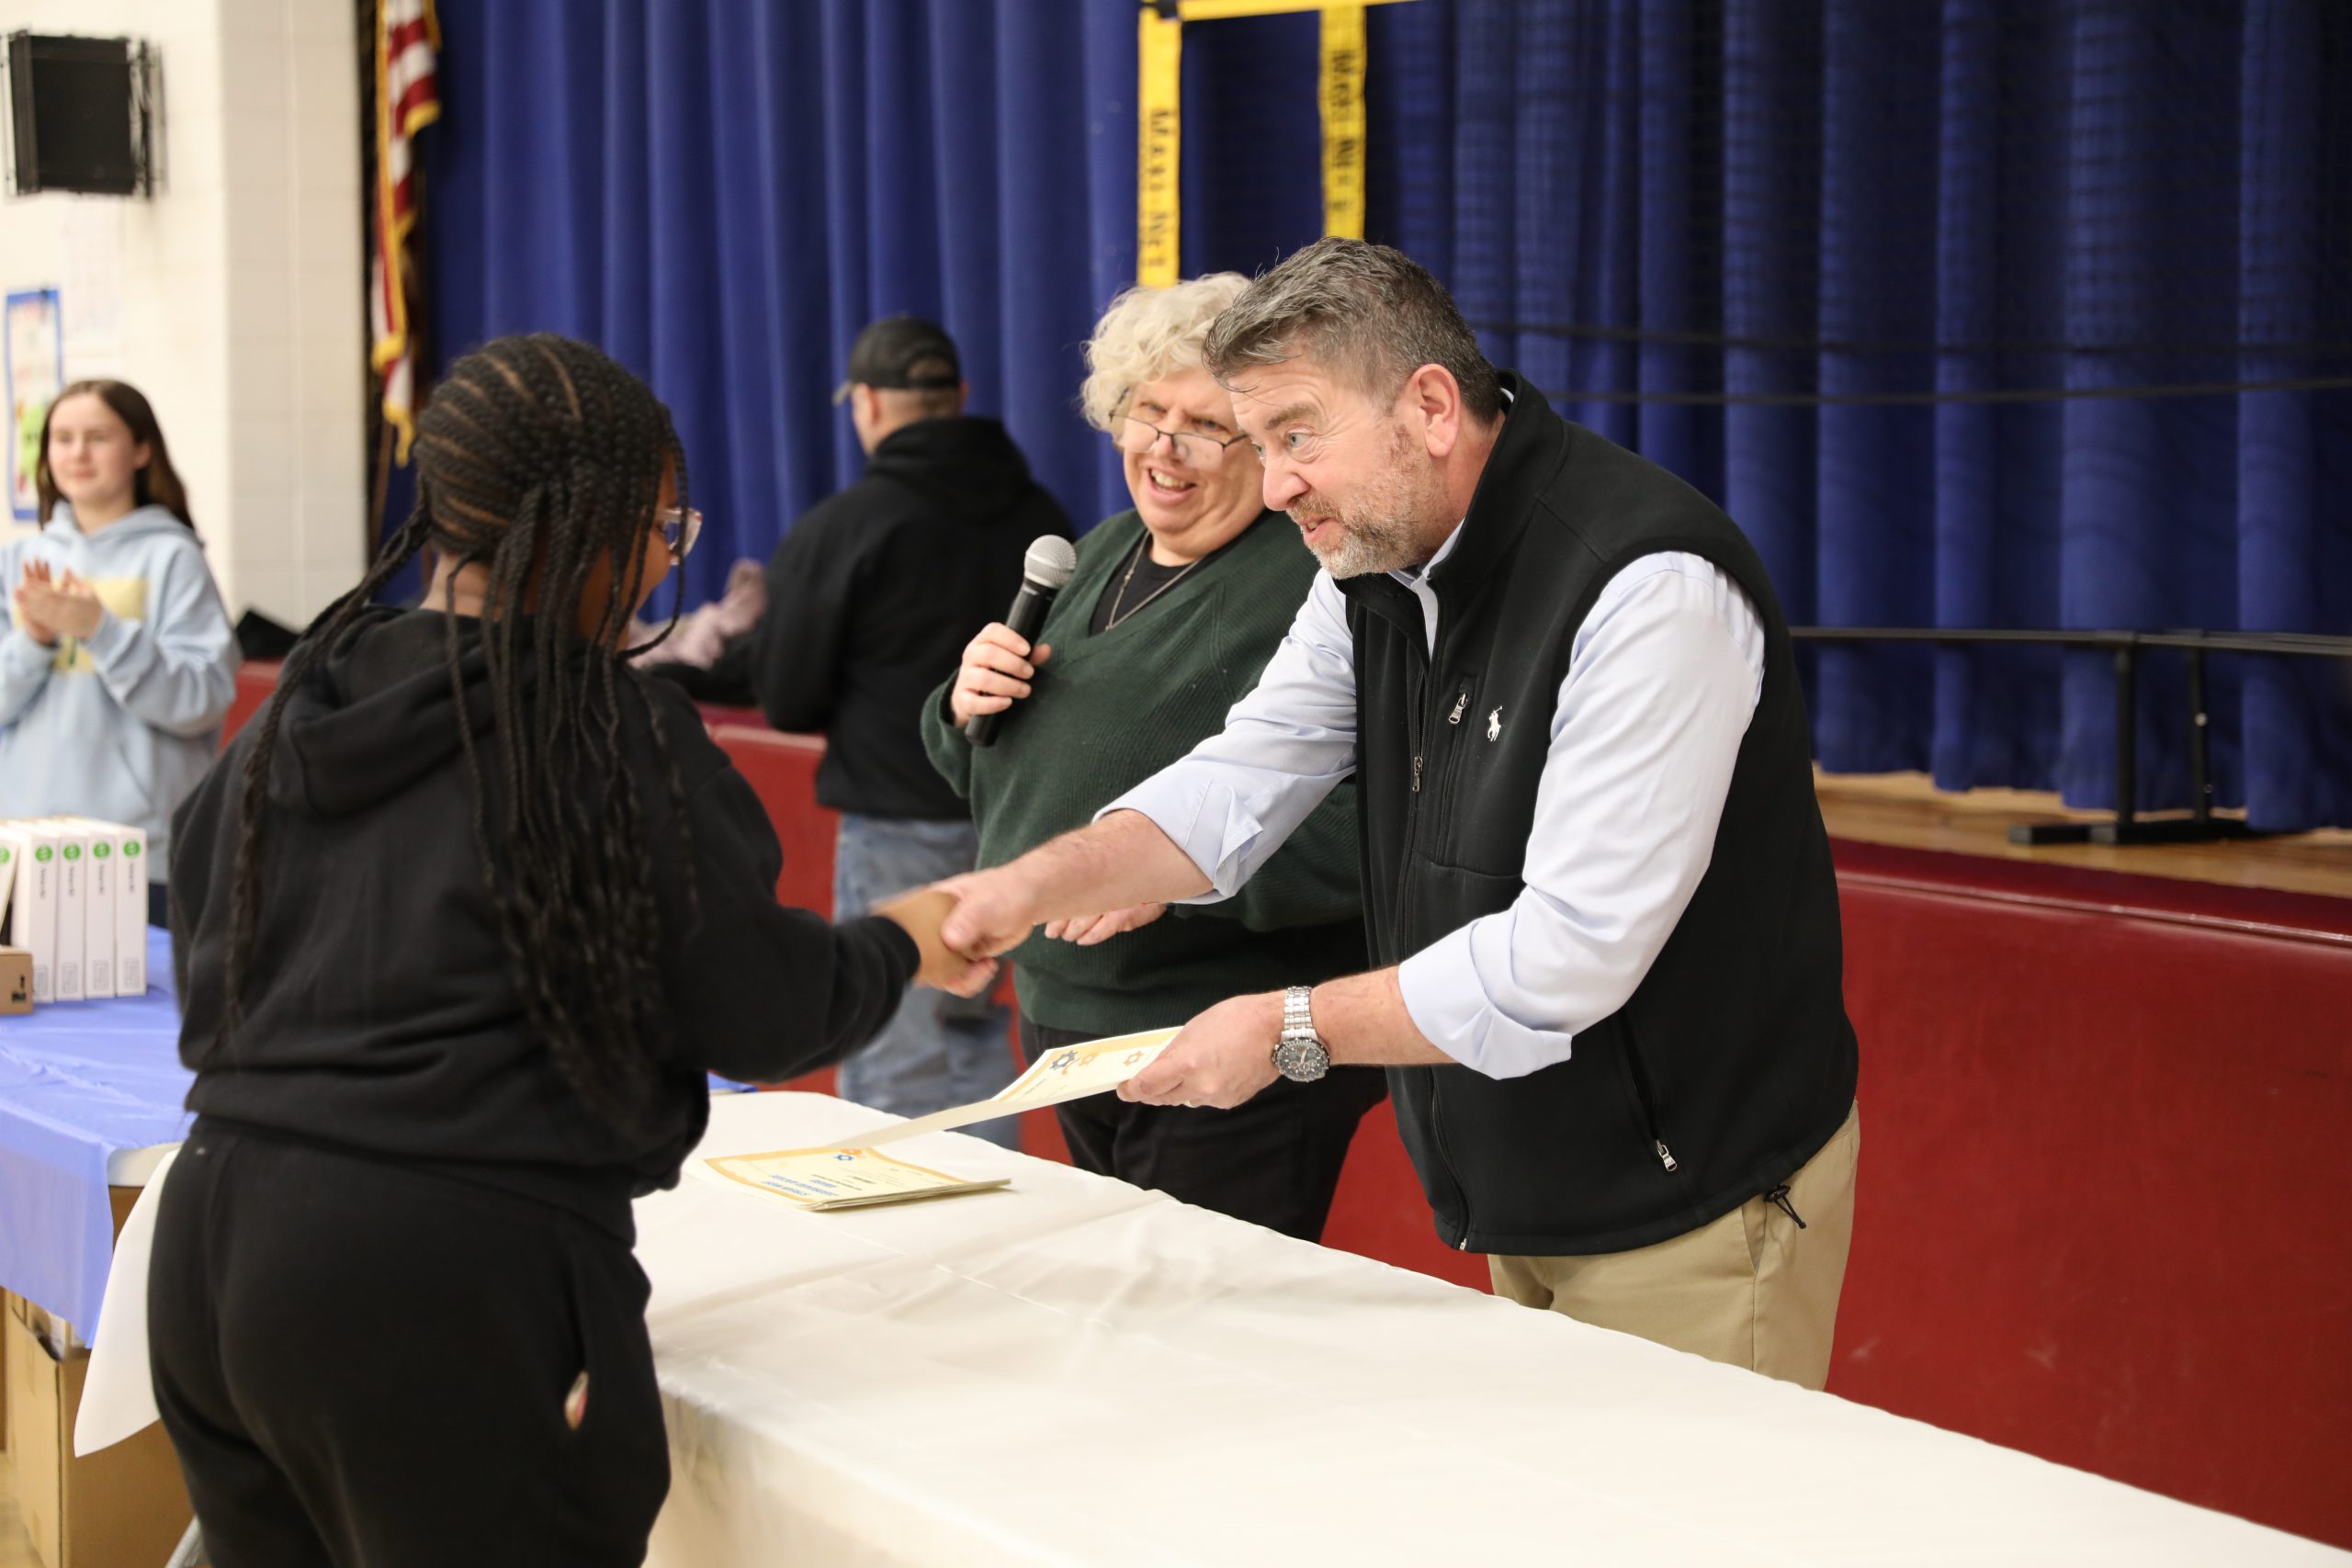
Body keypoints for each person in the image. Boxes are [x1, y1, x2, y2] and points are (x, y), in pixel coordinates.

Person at [941, 239, 1862, 1390]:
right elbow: (1248, 770)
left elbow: (1564, 958)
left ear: (1427, 407)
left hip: (1687, 1192)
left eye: (1292, 435)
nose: (1274, 486)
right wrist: (1033, 884)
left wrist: (1285, 1029)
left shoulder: (1644, 588)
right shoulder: (1373, 564)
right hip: (1520, 1176)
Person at [154, 334, 989, 1567]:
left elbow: (206, 969)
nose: (663, 562)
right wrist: (903, 941)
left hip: (214, 1241)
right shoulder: (600, 724)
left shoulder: (303, 701)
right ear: (585, 526)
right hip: (441, 1278)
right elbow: (756, 1005)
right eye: (660, 526)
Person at [920, 275, 1382, 1241]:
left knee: (1194, 1333)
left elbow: (1376, 819)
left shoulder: (1315, 583)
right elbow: (997, 775)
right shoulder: (1094, 554)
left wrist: (1178, 870)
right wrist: (962, 705)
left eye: (1205, 427)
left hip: (1221, 1038)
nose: (1162, 447)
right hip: (1068, 1020)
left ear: (1268, 444)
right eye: (1146, 412)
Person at [752, 316, 1071, 1145]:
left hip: (897, 821)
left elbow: (783, 696)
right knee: (979, 1057)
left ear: (866, 406)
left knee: (895, 1053)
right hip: (1021, 826)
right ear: (959, 398)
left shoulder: (845, 527)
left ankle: (908, 1262)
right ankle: (986, 1239)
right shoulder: (1044, 515)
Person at [1, 380, 236, 924]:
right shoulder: (20, 562)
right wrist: (35, 641)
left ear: (141, 449)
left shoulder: (173, 559)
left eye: (97, 437)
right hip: (23, 845)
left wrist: (101, 631)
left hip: (135, 853)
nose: (77, 453)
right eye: (62, 438)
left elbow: (202, 699)